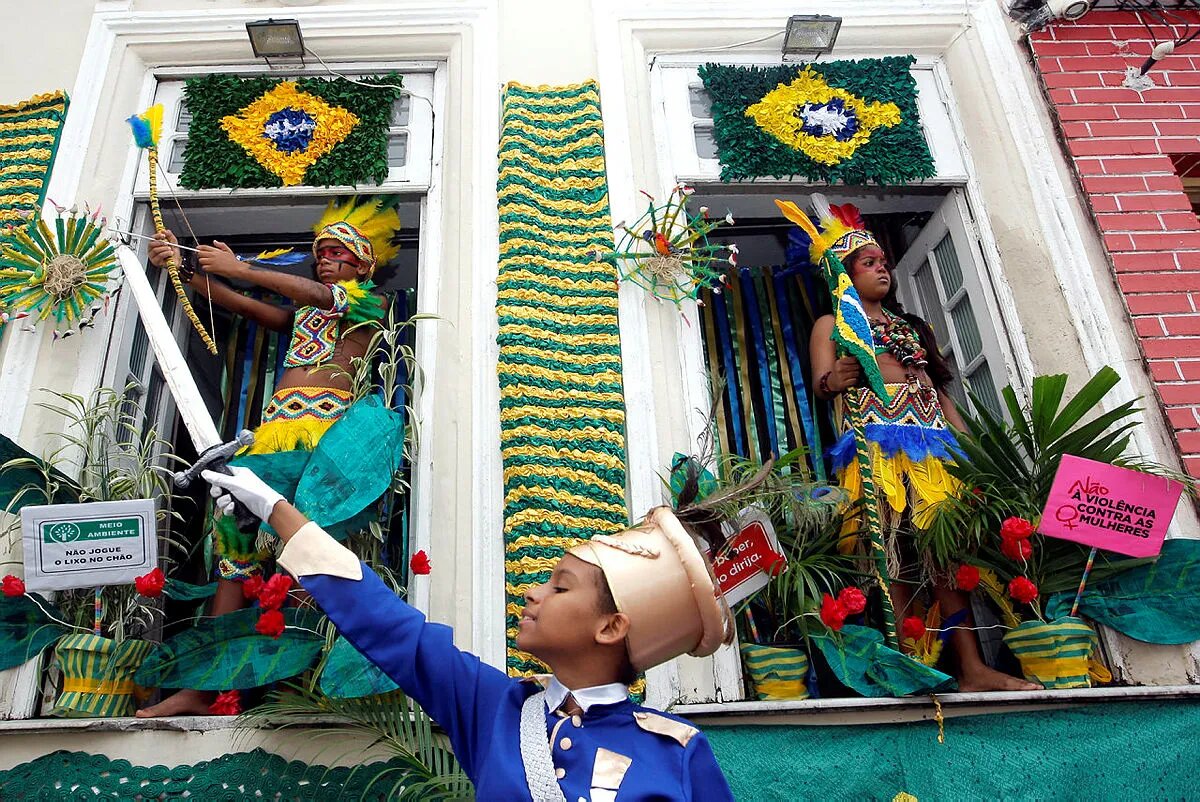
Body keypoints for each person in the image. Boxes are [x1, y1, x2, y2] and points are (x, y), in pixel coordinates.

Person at [201, 464, 737, 801]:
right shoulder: (494, 708)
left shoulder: (681, 752)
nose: (534, 593)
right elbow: (391, 626)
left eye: (560, 587)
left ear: (611, 626)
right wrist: (275, 510)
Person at [137, 196, 402, 717]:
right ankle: (202, 684)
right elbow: (244, 305)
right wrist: (182, 264)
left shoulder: (370, 304)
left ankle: (297, 688)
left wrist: (241, 267)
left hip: (324, 442)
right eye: (320, 251)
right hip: (273, 436)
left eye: (339, 253)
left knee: (306, 554)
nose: (325, 258)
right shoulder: (304, 313)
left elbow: (313, 292)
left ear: (365, 265)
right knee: (234, 550)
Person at [806, 203, 1039, 693]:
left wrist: (970, 451)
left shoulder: (912, 326)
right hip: (877, 447)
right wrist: (838, 377)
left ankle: (971, 668)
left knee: (944, 555)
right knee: (893, 553)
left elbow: (939, 392)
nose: (881, 267)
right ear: (843, 274)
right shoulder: (832, 323)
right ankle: (914, 666)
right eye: (868, 262)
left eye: (883, 261)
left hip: (932, 449)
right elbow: (822, 384)